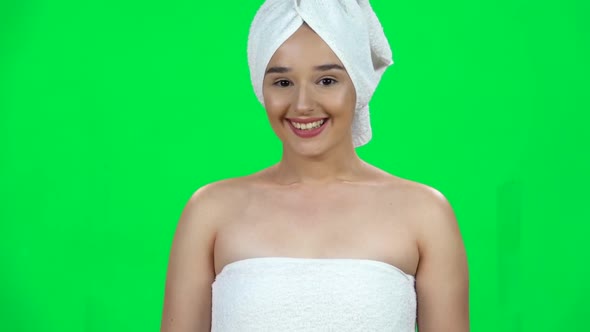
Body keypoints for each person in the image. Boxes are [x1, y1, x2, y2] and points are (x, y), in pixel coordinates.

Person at [160, 1, 469, 331]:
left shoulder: (424, 214)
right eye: (282, 83)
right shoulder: (209, 212)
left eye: (327, 81)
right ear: (260, 88)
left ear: (359, 84)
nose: (303, 105)